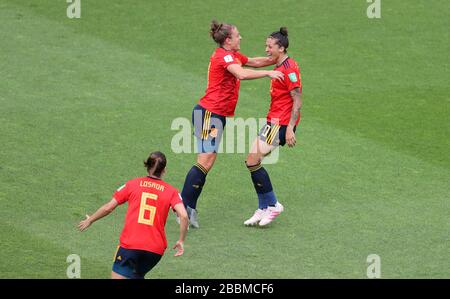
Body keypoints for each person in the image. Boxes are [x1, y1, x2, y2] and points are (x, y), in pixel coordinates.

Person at [180, 20, 284, 228]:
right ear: (228, 40)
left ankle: (187, 207)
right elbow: (242, 73)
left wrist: (277, 59)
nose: (240, 38)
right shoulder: (223, 56)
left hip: (215, 115)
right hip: (209, 113)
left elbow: (253, 62)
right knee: (206, 158)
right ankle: (184, 206)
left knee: (207, 160)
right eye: (237, 35)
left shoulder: (233, 55)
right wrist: (269, 72)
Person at [78, 151, 189, 279]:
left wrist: (90, 220)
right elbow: (184, 216)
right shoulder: (172, 192)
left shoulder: (132, 184)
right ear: (164, 170)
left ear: (147, 166)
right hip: (155, 250)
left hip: (131, 245)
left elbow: (109, 207)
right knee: (136, 275)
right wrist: (181, 240)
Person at [244, 27, 302, 227]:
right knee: (252, 161)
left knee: (252, 159)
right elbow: (256, 61)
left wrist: (291, 129)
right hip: (273, 121)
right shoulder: (277, 63)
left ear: (282, 48)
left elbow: (297, 100)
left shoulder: (290, 69)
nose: (266, 49)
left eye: (270, 46)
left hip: (282, 124)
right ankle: (263, 207)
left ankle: (273, 205)